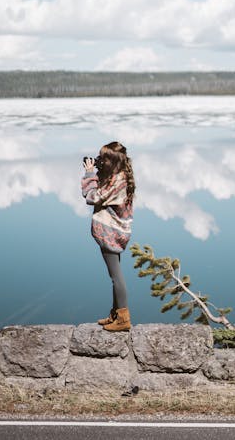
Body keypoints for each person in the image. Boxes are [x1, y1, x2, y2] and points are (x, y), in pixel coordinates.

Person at [81, 141, 135, 332]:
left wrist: (89, 174)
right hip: (116, 231)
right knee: (115, 274)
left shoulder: (117, 182)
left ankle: (123, 318)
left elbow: (92, 196)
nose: (100, 161)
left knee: (116, 276)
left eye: (103, 158)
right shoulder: (121, 176)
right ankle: (115, 313)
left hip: (111, 232)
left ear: (111, 161)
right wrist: (99, 171)